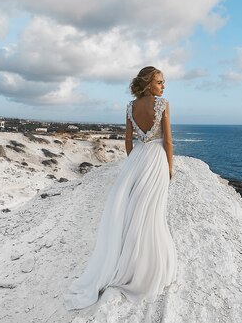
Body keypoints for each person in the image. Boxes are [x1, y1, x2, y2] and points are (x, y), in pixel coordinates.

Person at [63, 66, 177, 310]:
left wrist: (133, 163)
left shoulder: (130, 107)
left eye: (163, 82)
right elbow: (167, 140)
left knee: (133, 213)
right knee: (151, 213)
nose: (163, 86)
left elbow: (128, 140)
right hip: (156, 158)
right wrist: (170, 167)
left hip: (137, 159)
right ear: (148, 84)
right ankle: (143, 268)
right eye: (159, 82)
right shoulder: (163, 104)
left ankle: (126, 262)